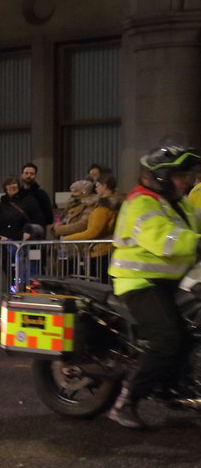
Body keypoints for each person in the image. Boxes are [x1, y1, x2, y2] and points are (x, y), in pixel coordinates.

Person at [106, 142, 201, 429]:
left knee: (190, 331)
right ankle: (125, 403)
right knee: (167, 340)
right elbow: (164, 239)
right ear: (163, 176)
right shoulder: (141, 202)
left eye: (187, 175)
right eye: (180, 175)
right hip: (140, 282)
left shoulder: (180, 204)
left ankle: (177, 387)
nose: (187, 180)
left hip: (170, 282)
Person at [63, 173, 121, 278]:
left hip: (100, 252)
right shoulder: (112, 205)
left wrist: (68, 238)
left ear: (104, 186)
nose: (96, 188)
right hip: (105, 251)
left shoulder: (103, 209)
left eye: (97, 185)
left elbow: (93, 232)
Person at [15, 162, 52, 229]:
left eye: (32, 174)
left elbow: (49, 217)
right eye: (26, 173)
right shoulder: (17, 194)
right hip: (19, 230)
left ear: (35, 176)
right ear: (22, 175)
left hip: (36, 231)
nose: (29, 176)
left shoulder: (41, 194)